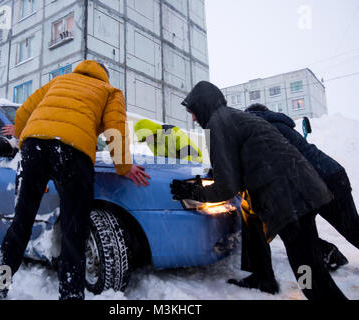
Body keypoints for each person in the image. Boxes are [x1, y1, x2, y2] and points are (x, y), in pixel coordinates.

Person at [0, 60, 150, 300]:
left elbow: (22, 113)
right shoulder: (109, 91)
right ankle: (71, 296)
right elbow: (116, 129)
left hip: (35, 147)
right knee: (74, 231)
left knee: (21, 224)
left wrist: (23, 133)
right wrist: (123, 167)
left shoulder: (59, 81)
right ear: (105, 76)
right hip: (73, 154)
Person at [170, 81, 348, 300]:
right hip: (300, 192)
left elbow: (227, 187)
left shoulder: (219, 124)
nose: (194, 118)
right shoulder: (231, 118)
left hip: (290, 200)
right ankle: (274, 281)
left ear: (203, 105)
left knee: (307, 272)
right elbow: (239, 165)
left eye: (193, 112)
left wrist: (194, 192)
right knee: (310, 270)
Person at [231, 103, 358, 293]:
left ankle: (311, 270)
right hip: (328, 175)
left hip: (321, 180)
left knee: (350, 229)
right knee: (297, 231)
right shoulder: (277, 124)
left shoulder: (262, 128)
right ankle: (327, 255)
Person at [134, 119, 203, 163]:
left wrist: (184, 169)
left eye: (148, 136)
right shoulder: (151, 141)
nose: (148, 140)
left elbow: (188, 153)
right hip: (176, 167)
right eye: (145, 139)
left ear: (154, 132)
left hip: (193, 162)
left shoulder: (173, 132)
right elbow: (159, 159)